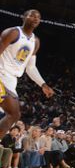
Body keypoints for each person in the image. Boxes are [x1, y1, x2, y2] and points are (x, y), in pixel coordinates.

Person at [0, 10, 55, 138]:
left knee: (10, 115)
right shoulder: (12, 32)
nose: (35, 18)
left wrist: (43, 85)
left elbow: (30, 67)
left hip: (11, 80)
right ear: (23, 17)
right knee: (14, 114)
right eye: (32, 15)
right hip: (1, 76)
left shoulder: (35, 41)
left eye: (38, 17)